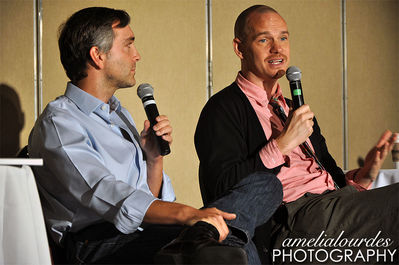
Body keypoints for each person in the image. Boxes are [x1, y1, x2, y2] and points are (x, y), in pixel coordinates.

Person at [28, 7, 282, 264]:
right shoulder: (60, 122)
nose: (136, 56)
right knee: (229, 242)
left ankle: (200, 236)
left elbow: (148, 200)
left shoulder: (119, 114)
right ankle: (201, 236)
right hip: (96, 244)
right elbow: (107, 193)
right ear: (97, 56)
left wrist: (153, 159)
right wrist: (189, 214)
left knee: (266, 185)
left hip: (145, 233)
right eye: (128, 46)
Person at [194, 5, 398, 264]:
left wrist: (363, 176)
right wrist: (281, 145)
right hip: (291, 223)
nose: (277, 49)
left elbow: (326, 178)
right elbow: (222, 187)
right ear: (239, 48)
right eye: (264, 39)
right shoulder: (222, 108)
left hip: (332, 209)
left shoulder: (293, 107)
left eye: (283, 38)